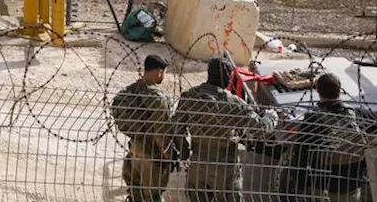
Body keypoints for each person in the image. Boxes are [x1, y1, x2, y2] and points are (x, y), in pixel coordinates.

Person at [284, 70, 377, 202]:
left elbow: (301, 153)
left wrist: (299, 185)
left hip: (322, 185)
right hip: (350, 184)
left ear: (318, 92)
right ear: (339, 91)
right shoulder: (355, 115)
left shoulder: (312, 119)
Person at [174, 57, 279, 201]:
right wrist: (271, 117)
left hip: (199, 163)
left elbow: (176, 129)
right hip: (225, 167)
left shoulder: (190, 97)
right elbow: (259, 129)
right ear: (228, 77)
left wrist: (185, 154)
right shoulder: (233, 103)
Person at [111, 54, 182, 201]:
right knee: (153, 196)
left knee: (135, 194)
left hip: (134, 151)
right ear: (159, 72)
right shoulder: (158, 98)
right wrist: (168, 157)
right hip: (152, 154)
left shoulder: (129, 91)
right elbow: (161, 132)